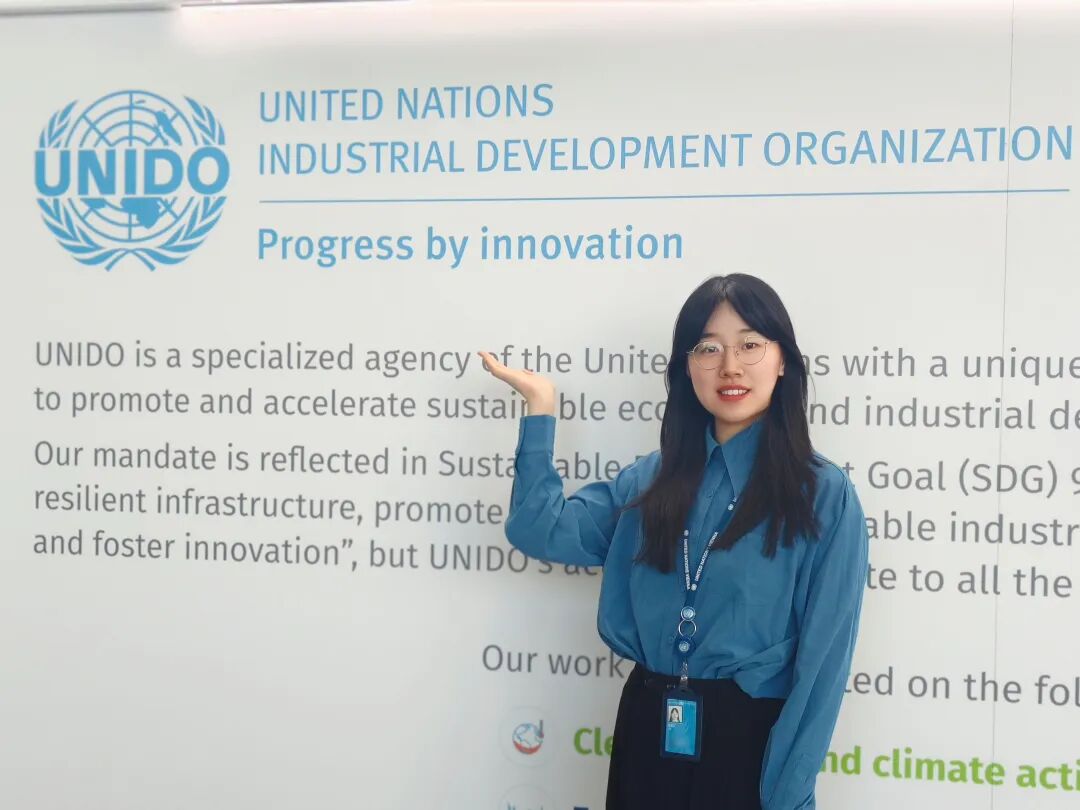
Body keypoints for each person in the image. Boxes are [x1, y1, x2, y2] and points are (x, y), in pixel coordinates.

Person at [478, 274, 869, 810]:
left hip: (749, 745)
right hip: (647, 729)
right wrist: (541, 408)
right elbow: (538, 528)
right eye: (708, 348)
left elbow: (823, 666)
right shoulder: (650, 481)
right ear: (687, 367)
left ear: (783, 361)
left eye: (750, 345)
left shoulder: (821, 495)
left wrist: (789, 794)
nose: (730, 366)